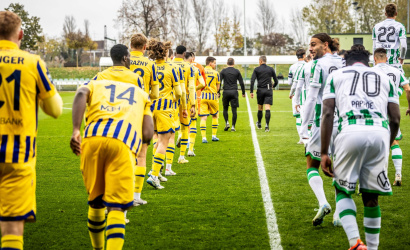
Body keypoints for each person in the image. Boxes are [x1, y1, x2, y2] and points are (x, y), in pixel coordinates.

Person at [70, 44, 154, 250]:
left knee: (96, 201)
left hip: (92, 137)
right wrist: (143, 140)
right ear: (126, 58)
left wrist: (75, 130)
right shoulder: (138, 86)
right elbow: (147, 133)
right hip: (122, 140)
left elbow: (81, 93)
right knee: (116, 207)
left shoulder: (98, 79)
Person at [320, 47, 401, 250]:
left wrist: (323, 152)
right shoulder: (385, 77)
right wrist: (388, 143)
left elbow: (328, 113)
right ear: (369, 61)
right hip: (380, 133)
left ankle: (355, 242)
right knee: (371, 196)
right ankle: (372, 248)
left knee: (342, 189)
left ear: (346, 61)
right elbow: (396, 118)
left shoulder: (336, 75)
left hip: (351, 130)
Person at [0, 11, 63, 250]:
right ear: (20, 34)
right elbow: (55, 109)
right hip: (18, 156)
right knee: (12, 230)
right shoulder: (32, 62)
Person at [300, 33, 343, 226]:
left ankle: (323, 202)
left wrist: (303, 127)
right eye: (309, 45)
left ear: (325, 45)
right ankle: (339, 215)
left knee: (312, 164)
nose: (310, 48)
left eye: (313, 44)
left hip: (322, 121)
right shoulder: (344, 62)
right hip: (344, 123)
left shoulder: (318, 65)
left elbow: (310, 98)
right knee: (340, 169)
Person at [146, 39, 182, 188]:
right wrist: (173, 99)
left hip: (149, 108)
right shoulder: (171, 68)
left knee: (156, 139)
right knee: (164, 142)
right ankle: (154, 175)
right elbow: (179, 93)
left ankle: (156, 172)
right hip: (165, 108)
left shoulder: (149, 67)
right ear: (165, 52)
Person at [129, 33, 159, 206]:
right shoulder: (150, 64)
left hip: (123, 110)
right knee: (142, 153)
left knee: (125, 152)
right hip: (142, 109)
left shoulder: (124, 60)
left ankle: (121, 193)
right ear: (145, 47)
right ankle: (136, 195)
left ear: (130, 45)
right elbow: (154, 93)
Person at [374, 47, 410, 186]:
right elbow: (408, 88)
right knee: (394, 142)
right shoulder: (396, 71)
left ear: (375, 58)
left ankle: (380, 179)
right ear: (387, 58)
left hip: (376, 110)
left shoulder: (372, 71)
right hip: (392, 109)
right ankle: (398, 175)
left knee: (377, 145)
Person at [173, 45, 196, 164]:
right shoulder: (188, 67)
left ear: (175, 52)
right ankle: (181, 157)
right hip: (184, 99)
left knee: (167, 130)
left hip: (170, 100)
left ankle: (165, 163)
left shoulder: (169, 64)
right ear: (184, 54)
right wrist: (193, 104)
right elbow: (191, 86)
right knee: (185, 127)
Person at [373, 3, 407, 73]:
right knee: (401, 82)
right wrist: (402, 57)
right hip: (394, 63)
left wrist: (375, 60)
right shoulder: (400, 26)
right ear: (396, 13)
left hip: (380, 62)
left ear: (385, 14)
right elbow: (403, 46)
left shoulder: (376, 26)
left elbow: (374, 46)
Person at [250, 56, 279, 132]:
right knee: (267, 108)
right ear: (265, 61)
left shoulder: (257, 69)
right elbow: (276, 81)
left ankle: (259, 123)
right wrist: (273, 86)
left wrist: (251, 91)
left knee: (260, 108)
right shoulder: (271, 69)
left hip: (260, 90)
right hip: (268, 89)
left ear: (260, 61)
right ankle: (267, 126)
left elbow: (252, 80)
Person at [185, 52, 206, 156]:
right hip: (194, 97)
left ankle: (182, 138)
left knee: (183, 123)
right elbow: (203, 84)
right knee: (193, 121)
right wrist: (195, 90)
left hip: (181, 97)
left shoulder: (176, 66)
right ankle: (191, 149)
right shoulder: (198, 67)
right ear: (193, 58)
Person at [219, 58, 245, 132]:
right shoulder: (237, 71)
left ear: (227, 63)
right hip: (234, 91)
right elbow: (241, 82)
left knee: (225, 108)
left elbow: (219, 82)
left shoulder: (223, 71)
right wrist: (243, 92)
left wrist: (218, 92)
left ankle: (227, 122)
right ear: (234, 63)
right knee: (234, 110)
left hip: (226, 91)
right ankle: (233, 126)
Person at [200, 57, 221, 142]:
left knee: (203, 117)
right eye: (214, 63)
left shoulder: (201, 71)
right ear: (210, 63)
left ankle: (204, 138)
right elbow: (218, 86)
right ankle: (213, 136)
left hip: (203, 96)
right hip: (213, 97)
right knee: (215, 116)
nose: (215, 64)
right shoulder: (216, 73)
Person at [289, 49, 307, 141]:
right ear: (304, 55)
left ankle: (301, 138)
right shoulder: (308, 65)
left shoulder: (292, 67)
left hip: (297, 93)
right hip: (308, 94)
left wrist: (291, 93)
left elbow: (290, 82)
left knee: (298, 116)